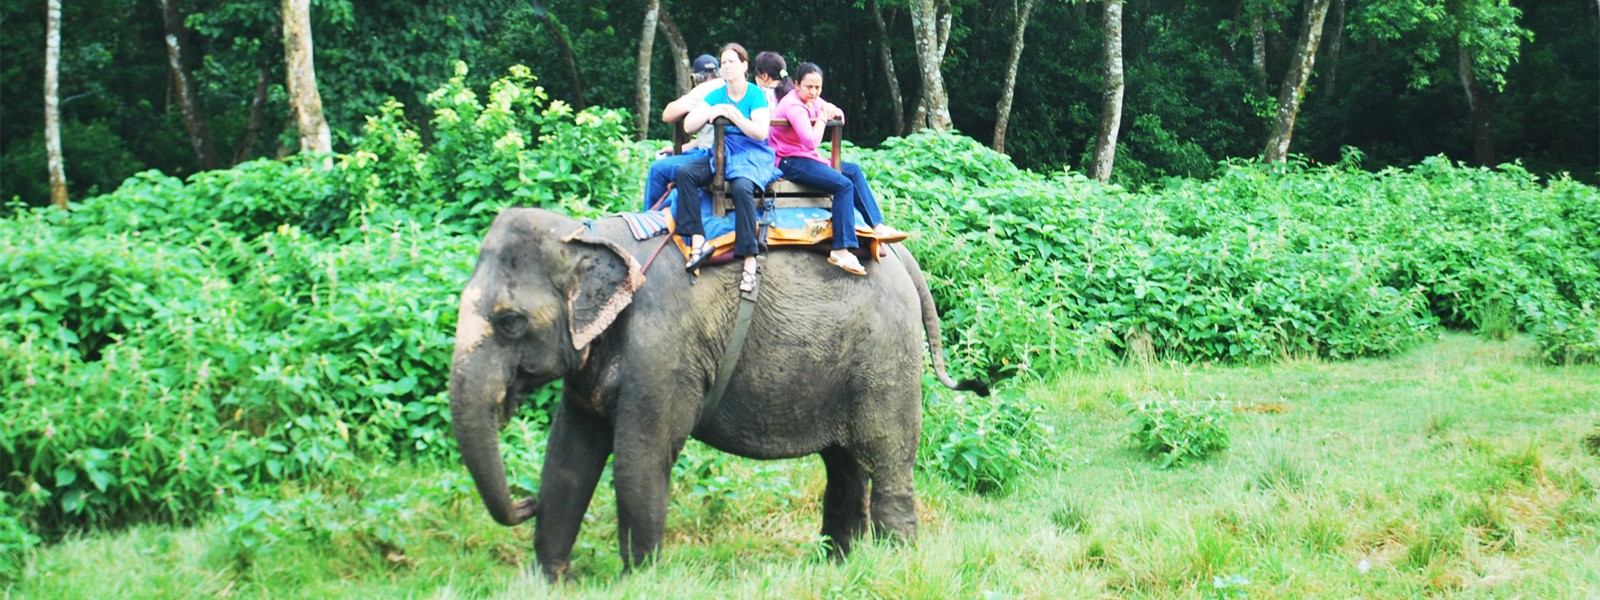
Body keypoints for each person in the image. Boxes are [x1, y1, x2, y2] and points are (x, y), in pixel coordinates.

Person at [768, 62, 907, 275]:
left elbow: (839, 115)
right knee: (843, 185)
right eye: (809, 87)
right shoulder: (794, 106)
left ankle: (877, 225)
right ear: (797, 85)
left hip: (808, 158)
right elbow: (811, 142)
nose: (814, 92)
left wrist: (832, 110)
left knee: (853, 170)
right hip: (791, 161)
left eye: (818, 87)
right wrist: (823, 117)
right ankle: (840, 249)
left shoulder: (812, 100)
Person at [675, 43, 780, 292]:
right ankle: (698, 240)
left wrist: (735, 116)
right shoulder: (716, 94)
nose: (726, 66)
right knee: (684, 174)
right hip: (722, 151)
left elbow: (760, 132)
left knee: (742, 187)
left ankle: (749, 259)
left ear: (744, 65)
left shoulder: (755, 94)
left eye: (732, 61)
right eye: (723, 62)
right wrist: (713, 110)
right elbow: (689, 126)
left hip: (751, 152)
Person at [642, 54, 725, 210]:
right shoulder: (728, 85)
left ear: (695, 77)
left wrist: (685, 99)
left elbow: (668, 115)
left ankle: (651, 219)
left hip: (712, 157)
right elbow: (710, 137)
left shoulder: (705, 89)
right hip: (724, 150)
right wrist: (681, 148)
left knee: (657, 169)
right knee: (671, 156)